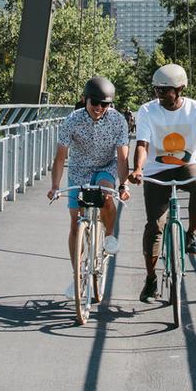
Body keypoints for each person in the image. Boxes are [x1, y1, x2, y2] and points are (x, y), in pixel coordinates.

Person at [126, 62, 196, 303]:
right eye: (156, 89)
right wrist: (137, 169)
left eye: (164, 91)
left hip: (185, 165)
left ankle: (191, 234)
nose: (159, 95)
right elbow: (143, 144)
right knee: (154, 227)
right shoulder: (147, 110)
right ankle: (150, 279)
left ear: (179, 90)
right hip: (156, 169)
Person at [45, 75, 130, 286]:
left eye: (105, 104)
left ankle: (109, 236)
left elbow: (122, 157)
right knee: (75, 223)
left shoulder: (118, 120)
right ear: (85, 99)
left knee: (106, 196)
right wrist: (55, 186)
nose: (100, 108)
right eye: (95, 102)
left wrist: (123, 184)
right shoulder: (72, 120)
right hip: (78, 171)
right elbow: (61, 156)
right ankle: (78, 277)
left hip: (105, 168)